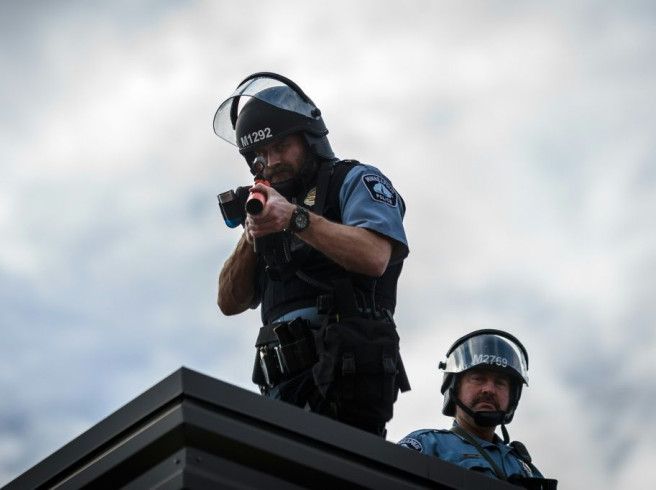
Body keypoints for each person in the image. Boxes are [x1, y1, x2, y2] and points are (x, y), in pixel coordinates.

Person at [213, 72, 410, 437]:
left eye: (281, 146)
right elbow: (228, 301)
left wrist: (295, 218)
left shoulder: (353, 180)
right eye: (260, 154)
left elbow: (375, 256)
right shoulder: (268, 206)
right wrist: (251, 232)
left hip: (346, 386)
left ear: (309, 139)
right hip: (277, 396)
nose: (270, 161)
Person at [398, 329, 557, 489]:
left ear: (512, 397)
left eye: (500, 382)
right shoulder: (427, 444)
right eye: (478, 379)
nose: (489, 389)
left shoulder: (526, 469)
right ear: (454, 388)